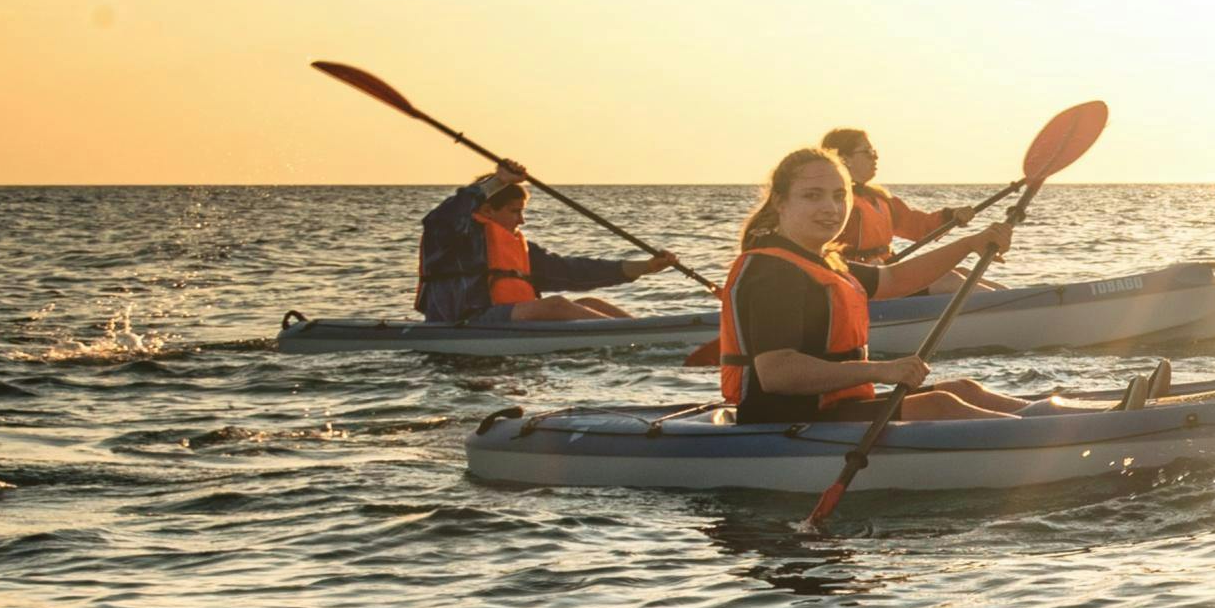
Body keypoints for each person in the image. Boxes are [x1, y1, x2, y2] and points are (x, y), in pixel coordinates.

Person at [719, 145, 1038, 425]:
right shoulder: (773, 271)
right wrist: (880, 370)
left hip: (835, 409)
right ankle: (1049, 445)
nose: (831, 208)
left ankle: (1068, 419)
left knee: (961, 390)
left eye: (839, 195)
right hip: (784, 422)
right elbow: (779, 374)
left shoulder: (821, 262)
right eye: (812, 196)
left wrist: (970, 243)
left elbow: (893, 279)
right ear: (780, 202)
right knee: (940, 406)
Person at [415, 161, 683, 325]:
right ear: (487, 210)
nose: (521, 221)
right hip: (461, 321)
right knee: (556, 305)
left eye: (523, 212)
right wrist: (498, 181)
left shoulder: (517, 247)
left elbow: (572, 271)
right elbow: (444, 215)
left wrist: (645, 267)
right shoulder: (449, 234)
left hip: (501, 320)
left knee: (591, 302)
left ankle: (650, 335)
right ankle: (635, 339)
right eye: (514, 211)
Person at [820, 127, 985, 294]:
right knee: (952, 281)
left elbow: (916, 225)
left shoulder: (880, 199)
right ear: (844, 159)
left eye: (875, 152)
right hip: (859, 282)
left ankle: (1009, 305)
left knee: (963, 273)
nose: (875, 157)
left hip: (886, 275)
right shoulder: (836, 202)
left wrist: (950, 216)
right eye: (868, 152)